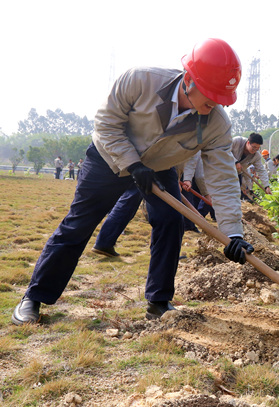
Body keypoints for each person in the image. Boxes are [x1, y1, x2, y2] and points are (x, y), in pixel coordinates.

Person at [12, 38, 253, 325]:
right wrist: (132, 164)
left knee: (170, 221)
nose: (215, 104)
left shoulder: (217, 124)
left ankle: (159, 302)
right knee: (78, 224)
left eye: (221, 98)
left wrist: (233, 234)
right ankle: (34, 297)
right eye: (210, 94)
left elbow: (223, 179)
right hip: (109, 158)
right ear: (189, 80)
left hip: (158, 166)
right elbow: (106, 123)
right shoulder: (141, 80)